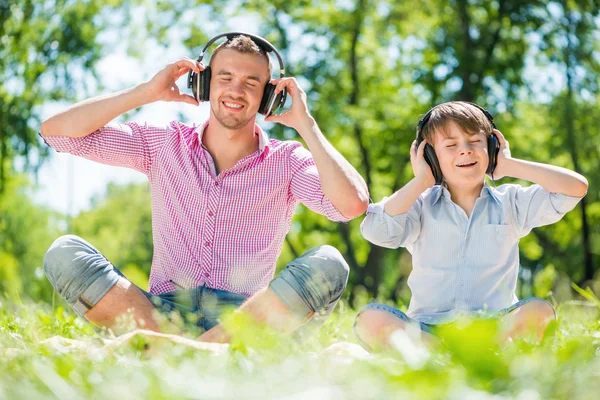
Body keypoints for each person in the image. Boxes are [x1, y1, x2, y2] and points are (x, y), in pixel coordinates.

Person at [40, 33, 369, 342]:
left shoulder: (288, 161)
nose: (236, 91)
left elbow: (352, 205)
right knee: (65, 253)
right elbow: (57, 132)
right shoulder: (164, 143)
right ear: (204, 83)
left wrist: (306, 125)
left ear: (269, 96)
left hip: (245, 318)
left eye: (251, 83)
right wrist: (146, 92)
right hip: (160, 314)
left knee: (329, 262)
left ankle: (171, 349)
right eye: (225, 78)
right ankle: (210, 351)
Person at [353, 101, 588, 351]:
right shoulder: (418, 206)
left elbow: (575, 188)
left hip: (493, 327)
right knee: (370, 318)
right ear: (431, 157)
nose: (465, 151)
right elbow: (375, 230)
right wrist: (421, 180)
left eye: (475, 141)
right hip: (427, 328)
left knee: (539, 310)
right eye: (451, 145)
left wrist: (509, 165)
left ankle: (454, 355)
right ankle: (452, 353)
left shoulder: (512, 202)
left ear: (492, 148)